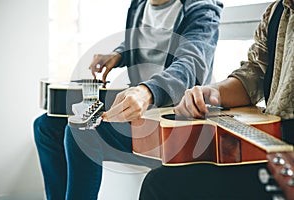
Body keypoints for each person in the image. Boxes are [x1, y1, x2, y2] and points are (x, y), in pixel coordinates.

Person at [33, 0, 223, 199]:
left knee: (82, 129)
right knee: (45, 126)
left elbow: (191, 65)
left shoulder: (202, 8)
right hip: (140, 111)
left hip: (174, 122)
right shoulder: (139, 5)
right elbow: (144, 41)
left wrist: (147, 91)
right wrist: (118, 55)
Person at [139, 0, 294, 199]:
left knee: (161, 185)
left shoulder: (201, 7)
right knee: (161, 180)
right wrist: (211, 92)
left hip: (280, 156)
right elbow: (254, 73)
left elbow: (190, 60)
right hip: (273, 147)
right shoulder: (276, 11)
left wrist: (149, 91)